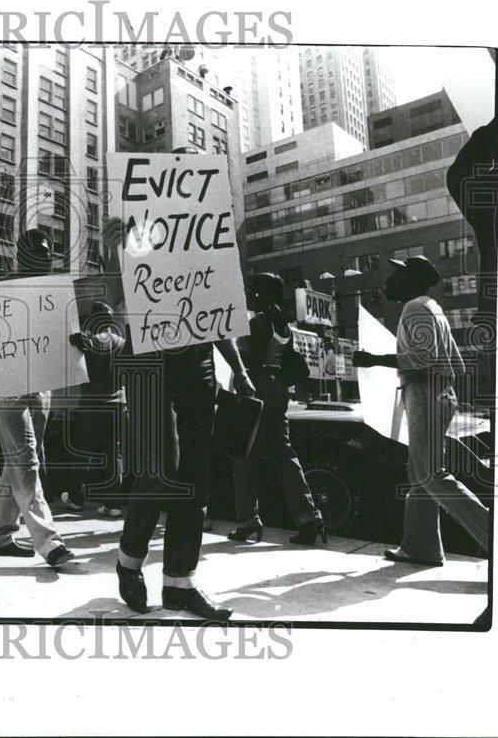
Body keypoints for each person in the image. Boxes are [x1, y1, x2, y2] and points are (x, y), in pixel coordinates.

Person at [101, 217, 256, 619]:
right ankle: (129, 561)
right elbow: (113, 303)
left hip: (197, 362)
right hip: (148, 358)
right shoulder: (133, 233)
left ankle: (180, 584)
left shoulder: (203, 237)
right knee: (160, 470)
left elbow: (216, 310)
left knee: (195, 476)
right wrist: (111, 254)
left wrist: (238, 369)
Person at [353, 255, 489, 565]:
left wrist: (373, 359)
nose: (389, 281)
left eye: (397, 275)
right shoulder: (434, 309)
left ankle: (493, 535)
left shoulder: (414, 307)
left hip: (426, 394)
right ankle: (421, 547)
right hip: (435, 393)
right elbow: (454, 362)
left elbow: (422, 358)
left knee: (430, 475)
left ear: (413, 280)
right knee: (419, 475)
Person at [0, 229, 73, 568]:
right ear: (21, 255)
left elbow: (65, 336)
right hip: (7, 384)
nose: (44, 257)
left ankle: (0, 535)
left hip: (40, 385)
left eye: (48, 252)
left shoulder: (54, 293)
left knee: (15, 461)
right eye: (37, 251)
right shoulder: (0, 289)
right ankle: (49, 542)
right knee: (26, 459)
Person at [230, 273, 326, 545]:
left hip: (258, 387)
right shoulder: (282, 323)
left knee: (243, 455)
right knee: (285, 454)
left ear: (260, 293)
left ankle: (248, 522)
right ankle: (310, 518)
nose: (248, 294)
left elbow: (249, 361)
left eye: (251, 290)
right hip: (278, 390)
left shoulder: (258, 322)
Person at [68, 301, 130, 518]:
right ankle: (113, 503)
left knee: (83, 451)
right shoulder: (122, 343)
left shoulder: (85, 342)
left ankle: (76, 496)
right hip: (118, 403)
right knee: (114, 454)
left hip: (91, 404)